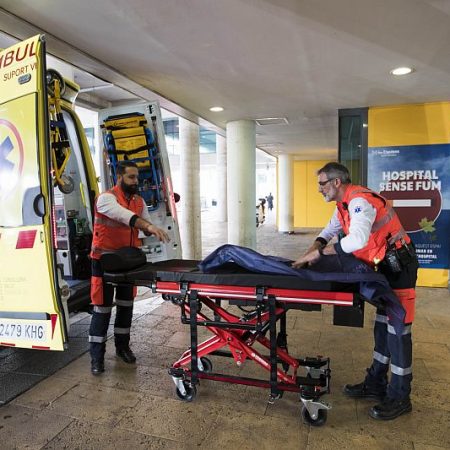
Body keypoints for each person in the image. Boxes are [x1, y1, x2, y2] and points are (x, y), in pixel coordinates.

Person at [292, 162, 418, 420]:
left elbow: (358, 239)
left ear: (337, 182)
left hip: (399, 267)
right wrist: (309, 253)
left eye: (322, 184)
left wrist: (322, 254)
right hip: (383, 267)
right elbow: (328, 232)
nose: (319, 189)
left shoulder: (359, 201)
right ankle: (376, 382)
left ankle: (400, 396)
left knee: (398, 330)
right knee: (382, 326)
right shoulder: (343, 205)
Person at [89, 161, 169, 375]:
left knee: (126, 306)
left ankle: (122, 348)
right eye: (131, 177)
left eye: (137, 178)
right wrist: (147, 225)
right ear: (119, 177)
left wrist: (154, 230)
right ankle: (96, 358)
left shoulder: (139, 201)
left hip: (127, 262)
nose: (136, 181)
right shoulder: (106, 199)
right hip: (104, 261)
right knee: (102, 309)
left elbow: (145, 225)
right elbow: (124, 216)